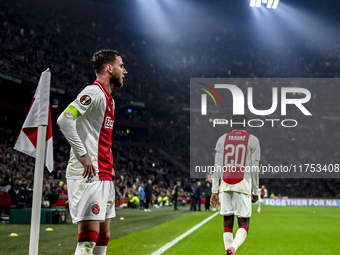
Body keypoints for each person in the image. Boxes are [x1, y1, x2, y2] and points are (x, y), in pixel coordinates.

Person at [57, 49, 128, 255]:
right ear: (109, 68)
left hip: (104, 174)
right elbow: (64, 119)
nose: (125, 71)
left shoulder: (110, 100)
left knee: (104, 236)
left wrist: (110, 164)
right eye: (121, 66)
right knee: (88, 239)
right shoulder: (93, 92)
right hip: (87, 174)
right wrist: (83, 155)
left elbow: (102, 137)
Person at [211, 115, 260, 255]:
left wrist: (215, 190)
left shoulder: (222, 139)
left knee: (227, 223)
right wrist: (255, 190)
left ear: (232, 124)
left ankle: (228, 250)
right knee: (244, 224)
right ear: (246, 124)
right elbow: (255, 168)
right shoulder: (253, 140)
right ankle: (233, 248)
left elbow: (217, 166)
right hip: (243, 185)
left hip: (225, 185)